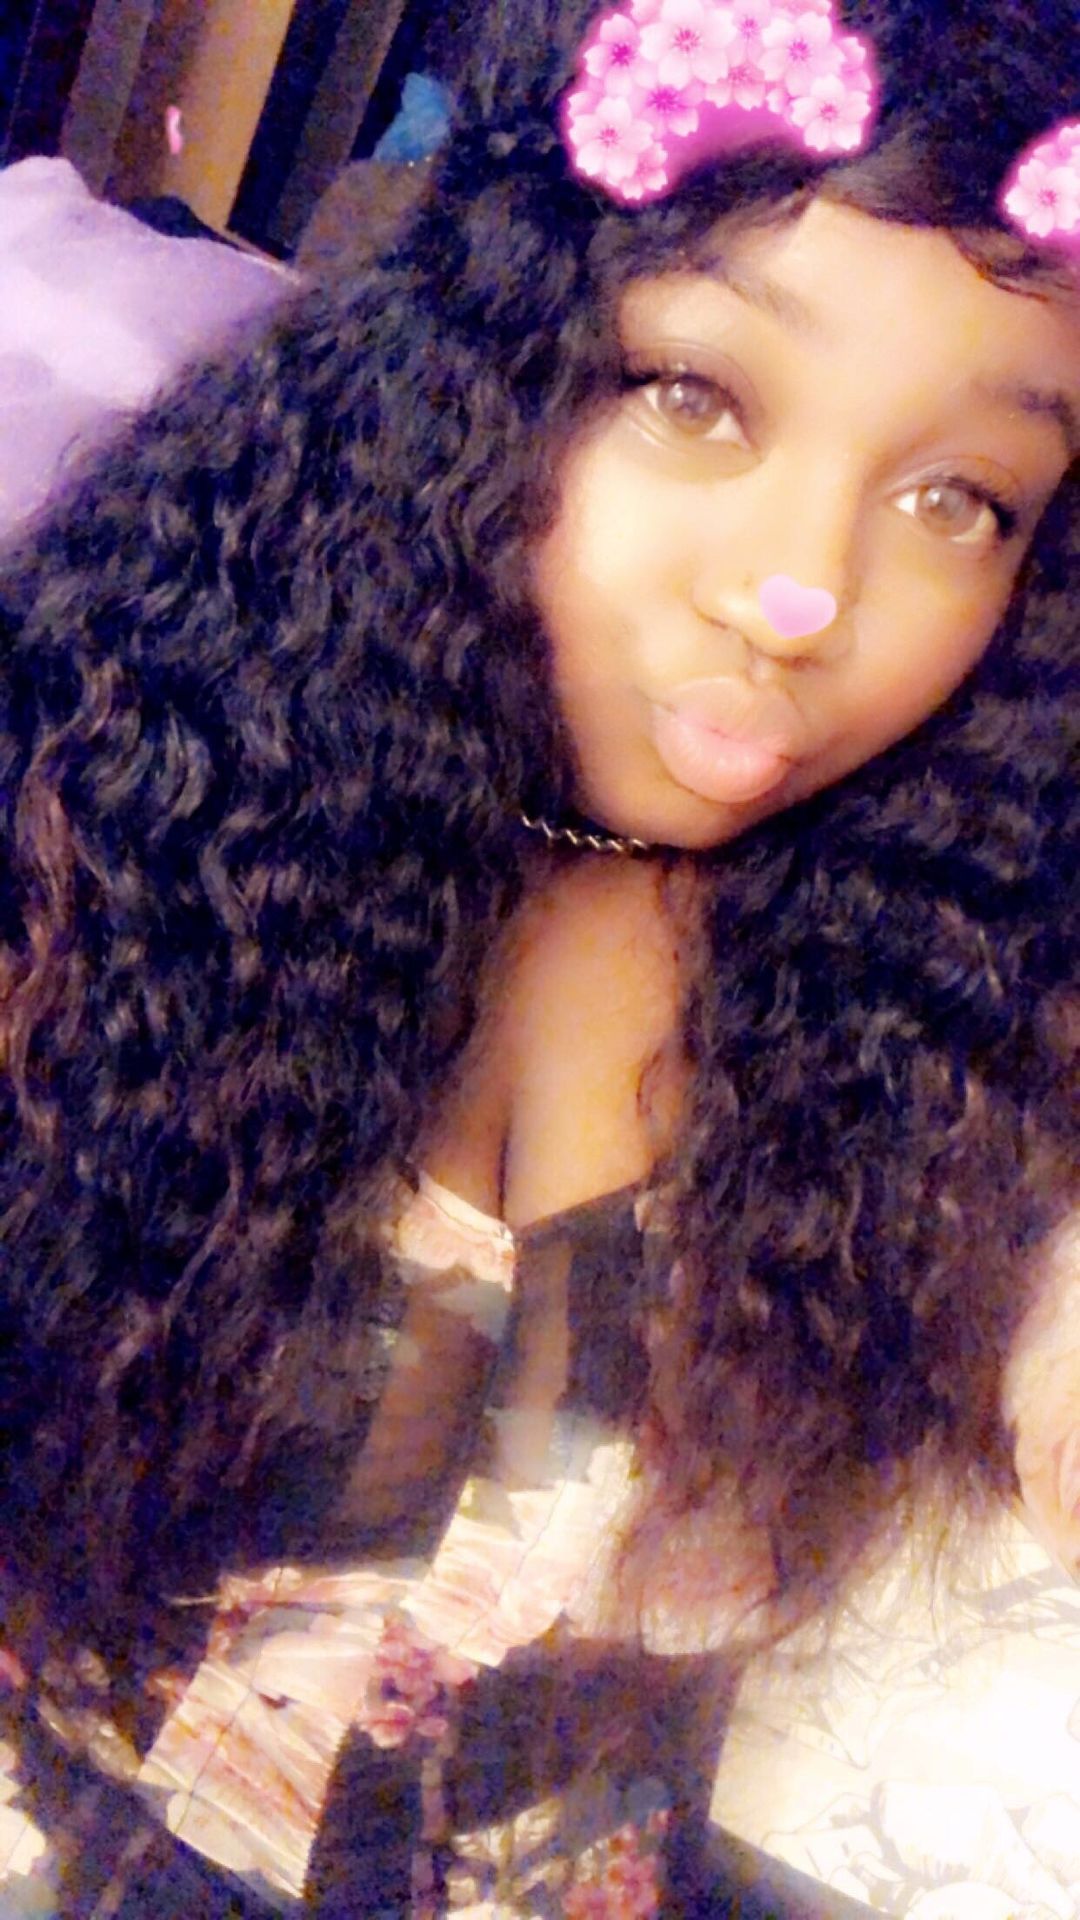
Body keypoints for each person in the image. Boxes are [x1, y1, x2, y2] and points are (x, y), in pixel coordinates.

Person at [0, 0, 1076, 1913]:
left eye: (957, 498)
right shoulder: (113, 804)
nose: (801, 590)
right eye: (696, 397)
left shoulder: (951, 982)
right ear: (491, 366)